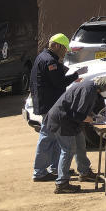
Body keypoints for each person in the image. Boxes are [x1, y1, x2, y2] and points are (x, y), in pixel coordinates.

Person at [43, 74, 106, 194]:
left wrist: (94, 116)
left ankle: (84, 172)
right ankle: (61, 183)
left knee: (80, 144)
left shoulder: (93, 88)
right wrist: (95, 120)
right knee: (68, 150)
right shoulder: (89, 90)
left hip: (70, 121)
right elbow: (78, 114)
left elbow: (84, 109)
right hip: (62, 120)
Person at [30, 34, 82, 182]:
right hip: (49, 105)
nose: (65, 52)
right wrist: (75, 75)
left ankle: (56, 167)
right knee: (47, 137)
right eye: (64, 49)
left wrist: (66, 69)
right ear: (57, 46)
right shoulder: (49, 61)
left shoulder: (44, 57)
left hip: (48, 103)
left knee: (54, 137)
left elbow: (55, 72)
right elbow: (58, 82)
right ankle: (39, 172)